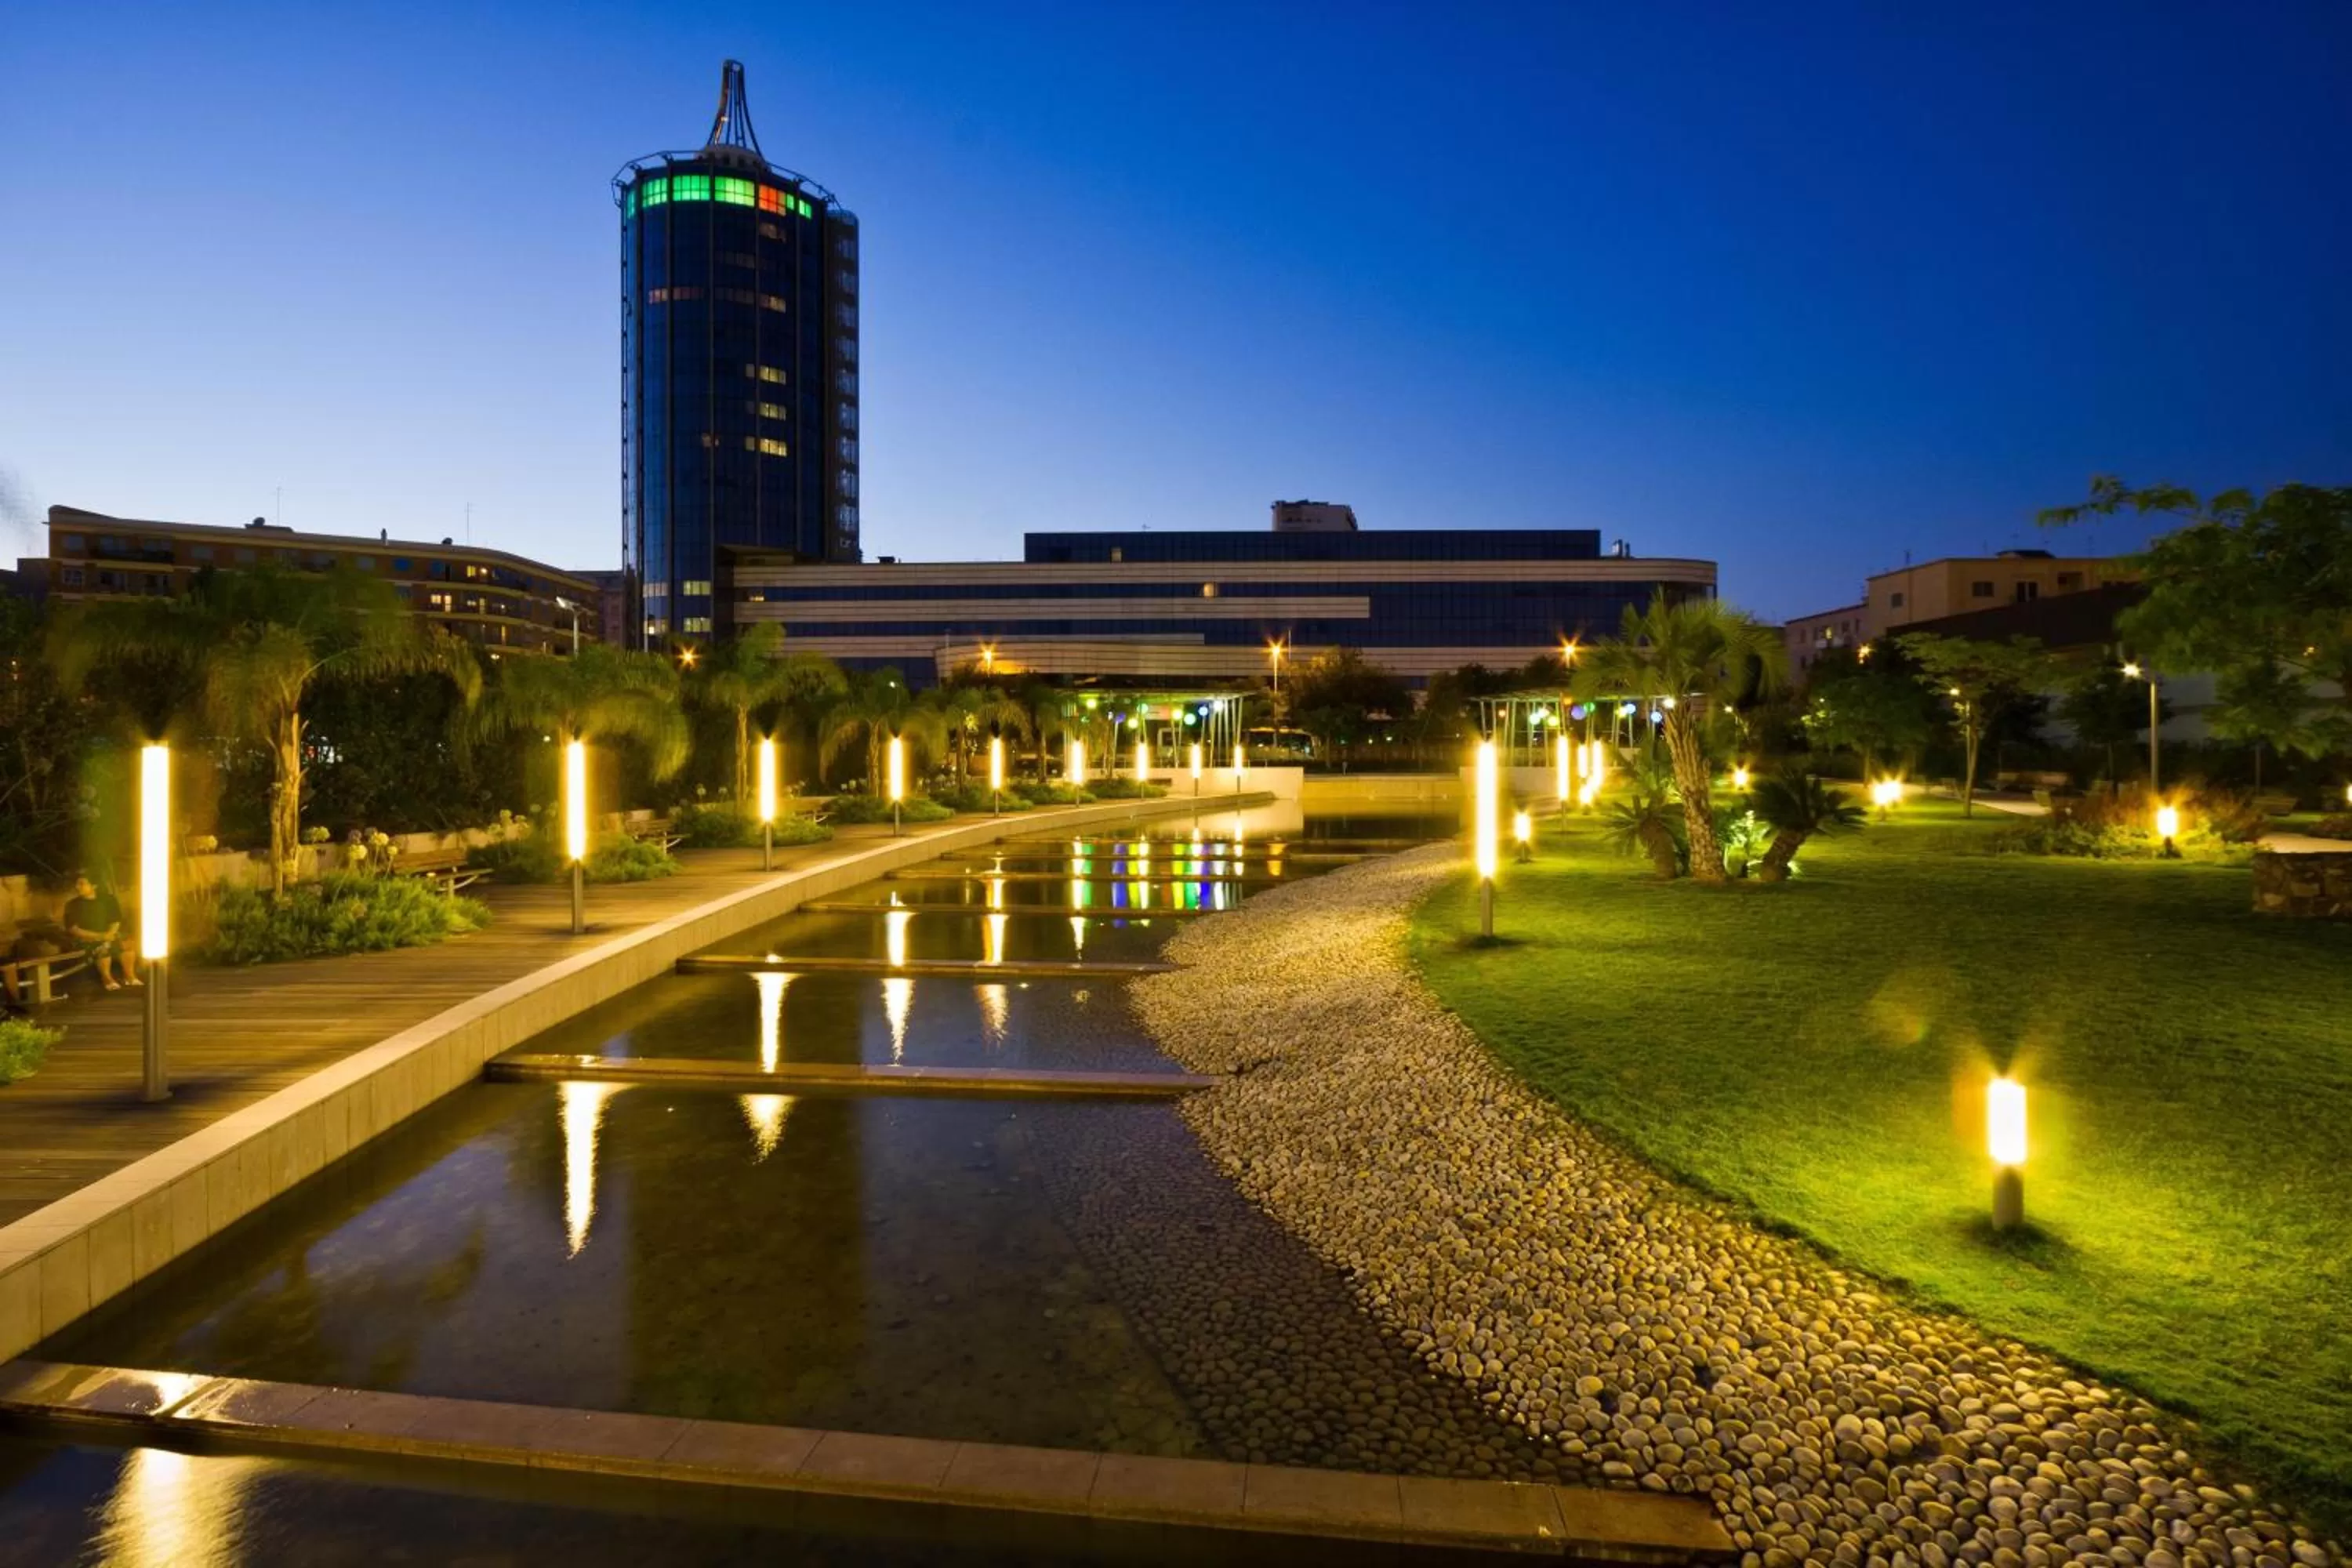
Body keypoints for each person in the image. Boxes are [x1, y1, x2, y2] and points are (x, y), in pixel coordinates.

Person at [61, 872, 140, 992]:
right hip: (85, 938)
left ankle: (130, 977)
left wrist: (110, 934)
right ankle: (107, 979)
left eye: (82, 884)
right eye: (77, 884)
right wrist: (101, 936)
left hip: (108, 935)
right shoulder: (73, 905)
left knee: (128, 944)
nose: (77, 887)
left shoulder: (108, 900)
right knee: (103, 948)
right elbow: (73, 929)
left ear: (94, 886)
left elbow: (116, 920)